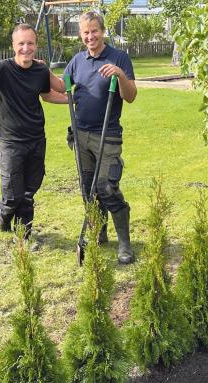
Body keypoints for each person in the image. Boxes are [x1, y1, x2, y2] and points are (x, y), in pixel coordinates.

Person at [0, 23, 65, 242]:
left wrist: (74, 101)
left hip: (37, 138)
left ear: (36, 45)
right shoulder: (0, 69)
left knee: (29, 191)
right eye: (21, 43)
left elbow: (49, 94)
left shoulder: (40, 70)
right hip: (11, 142)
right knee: (12, 194)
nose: (26, 48)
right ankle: (4, 215)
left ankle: (24, 233)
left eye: (30, 43)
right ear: (13, 46)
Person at [64, 11, 138, 264]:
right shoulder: (77, 60)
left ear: (103, 31)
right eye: (85, 32)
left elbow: (130, 96)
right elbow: (62, 85)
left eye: (94, 31)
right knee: (88, 189)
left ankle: (125, 244)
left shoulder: (119, 58)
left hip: (107, 135)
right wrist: (38, 72)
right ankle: (100, 232)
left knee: (107, 187)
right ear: (80, 34)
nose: (90, 36)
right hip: (80, 135)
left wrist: (119, 74)